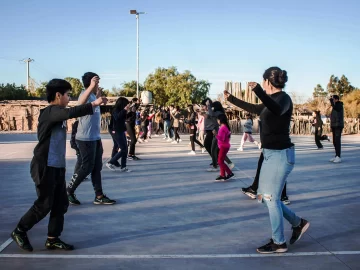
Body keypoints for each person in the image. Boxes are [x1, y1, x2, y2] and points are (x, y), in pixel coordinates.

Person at [10, 79, 107, 252]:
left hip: (57, 165)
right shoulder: (50, 112)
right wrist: (94, 104)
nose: (69, 98)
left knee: (61, 203)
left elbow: (73, 109)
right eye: (68, 95)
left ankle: (53, 239)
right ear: (58, 95)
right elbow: (71, 112)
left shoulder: (58, 111)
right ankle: (20, 230)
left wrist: (94, 92)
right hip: (44, 165)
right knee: (44, 204)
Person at [225, 66, 309, 254]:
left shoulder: (284, 99)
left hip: (281, 154)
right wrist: (231, 99)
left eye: (263, 82)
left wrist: (258, 91)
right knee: (264, 197)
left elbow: (277, 110)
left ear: (266, 82)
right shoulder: (269, 100)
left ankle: (279, 242)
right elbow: (254, 108)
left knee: (271, 198)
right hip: (269, 154)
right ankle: (298, 223)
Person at [67, 72, 116, 206]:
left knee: (96, 168)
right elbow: (80, 104)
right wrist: (93, 90)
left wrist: (99, 96)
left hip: (95, 137)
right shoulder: (85, 94)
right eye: (97, 82)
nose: (98, 84)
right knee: (86, 167)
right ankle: (68, 191)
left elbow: (94, 108)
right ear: (91, 82)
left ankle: (99, 196)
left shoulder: (93, 95)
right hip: (85, 138)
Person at [106, 97, 131, 171]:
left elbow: (124, 118)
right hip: (116, 131)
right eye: (125, 104)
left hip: (121, 130)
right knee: (123, 148)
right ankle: (110, 162)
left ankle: (123, 167)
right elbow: (117, 117)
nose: (126, 106)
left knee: (125, 148)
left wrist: (128, 111)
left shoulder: (121, 110)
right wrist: (125, 110)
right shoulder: (115, 110)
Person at [213, 114, 234, 181]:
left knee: (220, 161)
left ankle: (229, 173)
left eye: (218, 119)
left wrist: (216, 134)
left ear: (220, 120)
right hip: (224, 146)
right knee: (221, 160)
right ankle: (222, 175)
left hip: (223, 146)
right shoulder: (224, 127)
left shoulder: (223, 128)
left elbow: (222, 138)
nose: (217, 121)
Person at [329, 95, 344, 163]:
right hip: (334, 125)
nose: (333, 101)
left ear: (336, 99)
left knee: (337, 141)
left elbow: (336, 108)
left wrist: (332, 102)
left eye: (333, 99)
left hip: (338, 125)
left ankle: (338, 156)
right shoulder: (335, 106)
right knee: (334, 141)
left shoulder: (339, 105)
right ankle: (336, 155)